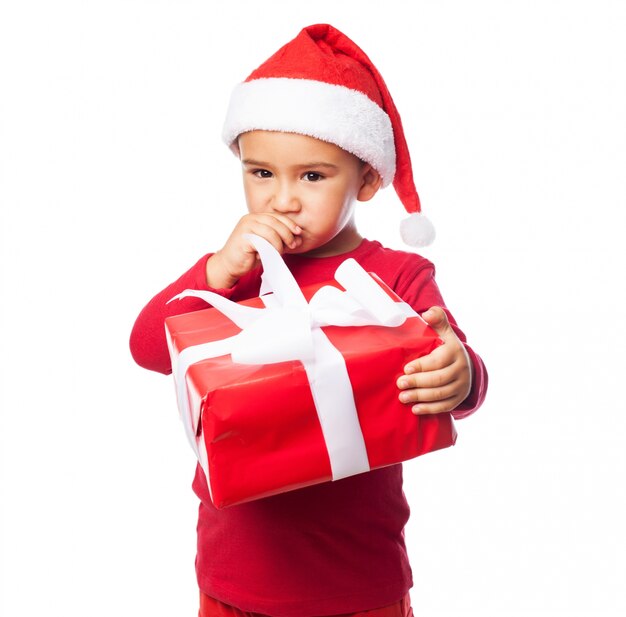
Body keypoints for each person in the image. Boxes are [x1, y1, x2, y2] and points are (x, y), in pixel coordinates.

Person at [130, 23, 487, 617]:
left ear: (368, 178)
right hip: (233, 574)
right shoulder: (235, 272)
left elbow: (456, 375)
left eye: (313, 176)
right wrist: (217, 269)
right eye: (261, 173)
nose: (282, 200)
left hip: (357, 578)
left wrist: (461, 373)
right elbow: (148, 347)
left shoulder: (396, 274)